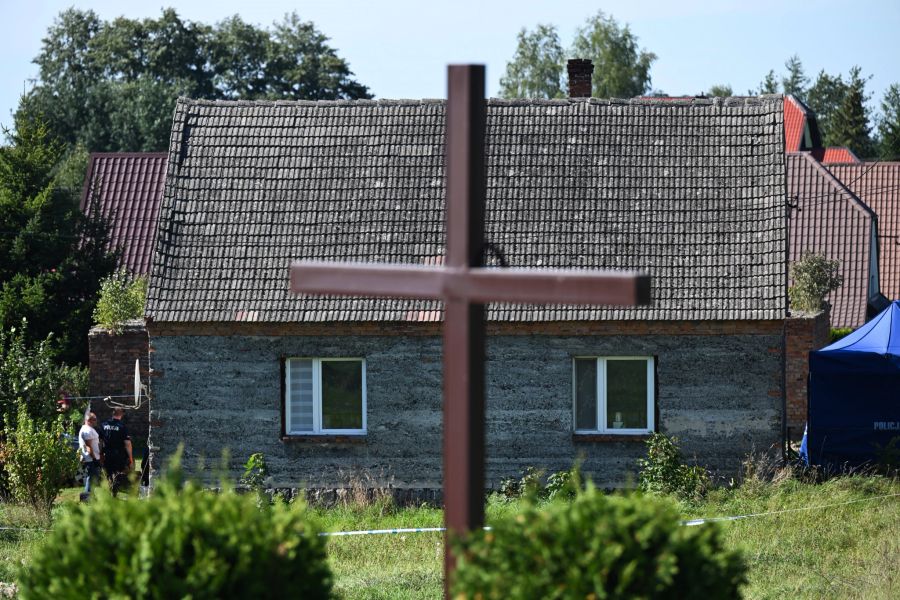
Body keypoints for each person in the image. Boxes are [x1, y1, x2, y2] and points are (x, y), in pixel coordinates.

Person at [100, 407, 134, 495]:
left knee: (108, 473)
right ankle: (115, 491)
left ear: (113, 413)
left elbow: (100, 441)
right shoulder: (122, 426)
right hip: (119, 455)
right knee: (118, 474)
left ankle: (109, 490)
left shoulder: (104, 425)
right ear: (121, 414)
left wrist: (100, 454)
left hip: (107, 454)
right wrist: (130, 458)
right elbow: (127, 443)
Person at [78, 413, 101, 501]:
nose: (96, 421)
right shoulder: (86, 430)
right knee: (91, 478)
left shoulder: (89, 429)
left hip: (92, 458)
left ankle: (90, 496)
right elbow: (88, 447)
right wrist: (95, 459)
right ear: (89, 420)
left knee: (92, 478)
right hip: (90, 458)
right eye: (94, 419)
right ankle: (87, 498)